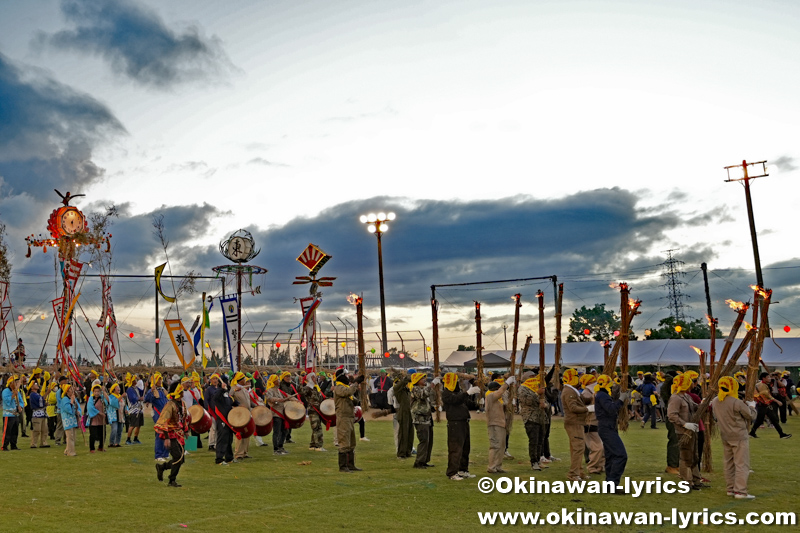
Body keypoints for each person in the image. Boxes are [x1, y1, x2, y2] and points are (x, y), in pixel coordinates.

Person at [710, 376, 757, 499]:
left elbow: (715, 417)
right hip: (739, 435)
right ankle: (740, 491)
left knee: (729, 463)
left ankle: (730, 489)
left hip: (725, 435)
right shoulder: (736, 402)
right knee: (741, 464)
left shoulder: (715, 401)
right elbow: (751, 416)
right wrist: (752, 406)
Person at [667, 374, 705, 490]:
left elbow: (694, 407)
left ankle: (696, 480)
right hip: (683, 431)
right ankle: (686, 482)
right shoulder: (675, 398)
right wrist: (684, 424)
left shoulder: (685, 396)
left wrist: (702, 404)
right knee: (685, 457)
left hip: (691, 429)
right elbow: (671, 415)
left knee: (694, 455)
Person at [594, 375, 627, 494]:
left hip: (607, 427)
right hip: (607, 428)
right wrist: (621, 400)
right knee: (620, 455)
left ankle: (610, 485)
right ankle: (613, 483)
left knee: (611, 456)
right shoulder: (602, 395)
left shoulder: (601, 394)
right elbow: (611, 408)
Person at [442, 373, 478, 481]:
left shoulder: (458, 393)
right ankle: (452, 472)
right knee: (455, 448)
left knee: (465, 447)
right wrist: (467, 392)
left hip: (464, 422)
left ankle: (463, 469)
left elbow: (467, 402)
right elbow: (456, 400)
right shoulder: (446, 393)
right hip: (455, 423)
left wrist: (478, 402)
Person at [154, 382, 190, 487]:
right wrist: (166, 438)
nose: (183, 392)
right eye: (181, 391)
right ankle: (171, 480)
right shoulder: (169, 405)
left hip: (180, 434)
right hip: (171, 434)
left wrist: (186, 430)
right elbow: (163, 421)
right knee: (178, 457)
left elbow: (184, 418)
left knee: (181, 459)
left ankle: (162, 467)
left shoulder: (182, 404)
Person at [334, 369, 365, 472]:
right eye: (346, 375)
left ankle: (350, 465)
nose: (347, 377)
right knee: (344, 442)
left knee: (351, 442)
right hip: (343, 418)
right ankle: (343, 466)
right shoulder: (338, 387)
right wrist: (355, 383)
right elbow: (348, 392)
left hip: (349, 417)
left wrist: (358, 390)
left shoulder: (345, 387)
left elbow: (355, 400)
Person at [561, 368, 589, 481]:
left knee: (577, 448)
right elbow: (573, 408)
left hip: (576, 422)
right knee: (578, 448)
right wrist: (587, 409)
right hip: (574, 422)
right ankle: (573, 474)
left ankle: (579, 472)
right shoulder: (569, 391)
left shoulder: (571, 390)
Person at [518, 372, 547, 471]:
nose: (534, 378)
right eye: (531, 377)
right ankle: (533, 461)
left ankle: (538, 460)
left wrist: (545, 404)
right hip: (530, 417)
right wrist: (536, 394)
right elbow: (526, 401)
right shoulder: (523, 388)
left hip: (540, 417)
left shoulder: (536, 386)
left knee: (540, 440)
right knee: (533, 441)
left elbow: (544, 400)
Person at [750, 372, 792, 439]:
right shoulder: (761, 385)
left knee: (773, 420)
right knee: (760, 420)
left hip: (765, 405)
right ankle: (752, 433)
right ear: (763, 378)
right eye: (768, 377)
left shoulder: (765, 384)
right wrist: (777, 401)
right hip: (762, 405)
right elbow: (767, 396)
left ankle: (782, 434)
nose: (770, 378)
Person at [486, 376, 514, 474]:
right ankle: (492, 467)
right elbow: (500, 392)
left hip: (501, 423)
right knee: (495, 445)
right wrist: (507, 383)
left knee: (502, 446)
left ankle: (498, 466)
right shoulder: (490, 396)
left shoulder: (497, 398)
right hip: (494, 424)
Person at [580, 373, 604, 474]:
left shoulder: (593, 391)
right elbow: (582, 408)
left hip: (596, 422)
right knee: (597, 447)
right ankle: (592, 467)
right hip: (590, 423)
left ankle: (600, 466)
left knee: (602, 447)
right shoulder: (586, 393)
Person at [410, 372, 435, 469]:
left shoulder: (423, 388)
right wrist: (431, 386)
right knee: (423, 440)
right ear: (417, 381)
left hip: (427, 418)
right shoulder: (415, 389)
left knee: (429, 441)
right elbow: (423, 395)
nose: (425, 379)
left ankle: (424, 460)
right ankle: (419, 462)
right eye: (422, 378)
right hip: (420, 419)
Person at [145, 373, 170, 462]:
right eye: (158, 379)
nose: (160, 381)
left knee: (167, 433)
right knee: (160, 433)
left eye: (160, 379)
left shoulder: (163, 390)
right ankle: (158, 455)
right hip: (158, 414)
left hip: (166, 414)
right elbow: (146, 399)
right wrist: (150, 391)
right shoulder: (153, 390)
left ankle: (165, 453)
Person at [231, 372, 255, 461]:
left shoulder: (244, 389)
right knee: (240, 433)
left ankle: (245, 452)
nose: (245, 380)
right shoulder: (233, 388)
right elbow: (229, 397)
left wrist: (257, 406)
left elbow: (249, 402)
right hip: (239, 414)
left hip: (247, 413)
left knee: (247, 433)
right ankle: (238, 454)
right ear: (240, 380)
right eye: (244, 379)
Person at [212, 375, 235, 465]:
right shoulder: (218, 391)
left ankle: (229, 457)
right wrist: (221, 389)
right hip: (222, 419)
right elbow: (215, 398)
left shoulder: (227, 392)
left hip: (229, 418)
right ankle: (219, 459)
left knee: (229, 438)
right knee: (222, 438)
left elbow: (230, 402)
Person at [302, 372, 327, 452]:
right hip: (313, 410)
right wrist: (299, 383)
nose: (316, 378)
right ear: (310, 378)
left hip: (318, 410)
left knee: (316, 427)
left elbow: (320, 398)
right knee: (317, 428)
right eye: (314, 377)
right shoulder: (308, 388)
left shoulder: (316, 387)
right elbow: (301, 392)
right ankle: (318, 446)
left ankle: (313, 445)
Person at [661, 371, 680, 475]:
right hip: (672, 417)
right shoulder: (668, 392)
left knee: (678, 442)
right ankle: (672, 465)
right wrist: (668, 377)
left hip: (676, 417)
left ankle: (676, 464)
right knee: (674, 441)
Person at [265, 374, 289, 455]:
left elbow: (287, 396)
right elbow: (269, 398)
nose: (279, 381)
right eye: (277, 380)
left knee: (284, 431)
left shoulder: (278, 390)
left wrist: (296, 400)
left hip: (282, 413)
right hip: (276, 414)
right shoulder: (269, 390)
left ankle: (280, 446)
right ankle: (276, 449)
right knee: (277, 432)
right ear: (274, 381)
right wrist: (279, 400)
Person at [393, 371, 414, 459]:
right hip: (403, 412)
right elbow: (400, 384)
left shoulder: (406, 390)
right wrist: (405, 379)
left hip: (409, 412)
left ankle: (408, 451)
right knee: (403, 433)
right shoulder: (397, 388)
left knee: (410, 433)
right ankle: (401, 453)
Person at [59, 384, 82, 457]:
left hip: (73, 420)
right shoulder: (64, 399)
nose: (72, 391)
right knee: (70, 437)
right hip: (67, 420)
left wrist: (78, 411)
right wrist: (71, 401)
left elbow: (77, 407)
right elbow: (68, 409)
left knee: (73, 436)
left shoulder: (73, 398)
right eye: (70, 389)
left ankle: (67, 450)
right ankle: (71, 452)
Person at [3, 375, 23, 451]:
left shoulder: (17, 392)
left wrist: (20, 406)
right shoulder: (5, 391)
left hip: (15, 414)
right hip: (8, 414)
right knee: (7, 431)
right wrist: (13, 395)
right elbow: (7, 401)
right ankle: (4, 446)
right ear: (11, 383)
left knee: (15, 431)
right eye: (15, 382)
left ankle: (13, 445)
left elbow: (21, 401)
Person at [87, 383, 108, 453]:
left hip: (101, 420)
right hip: (94, 419)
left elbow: (108, 402)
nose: (97, 393)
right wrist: (99, 413)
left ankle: (101, 447)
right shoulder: (91, 399)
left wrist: (104, 392)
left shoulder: (102, 398)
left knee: (103, 434)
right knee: (93, 435)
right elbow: (90, 408)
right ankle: (92, 448)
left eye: (98, 391)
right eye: (95, 391)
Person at [29, 380, 49, 449]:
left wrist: (45, 404)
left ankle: (43, 442)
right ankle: (33, 443)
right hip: (36, 415)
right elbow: (40, 400)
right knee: (37, 430)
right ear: (31, 387)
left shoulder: (38, 394)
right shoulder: (32, 395)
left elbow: (41, 401)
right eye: (35, 384)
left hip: (43, 414)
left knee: (44, 429)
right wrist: (47, 393)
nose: (37, 385)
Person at [125, 373, 144, 445]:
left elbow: (142, 392)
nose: (136, 380)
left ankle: (136, 438)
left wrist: (146, 386)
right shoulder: (129, 389)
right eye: (134, 380)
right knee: (132, 425)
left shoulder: (136, 388)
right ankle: (128, 439)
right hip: (133, 410)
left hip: (139, 408)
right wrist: (139, 398)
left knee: (138, 425)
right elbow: (132, 399)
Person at [204, 373, 220, 451]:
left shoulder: (219, 388)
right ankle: (211, 444)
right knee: (213, 429)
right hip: (212, 411)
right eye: (213, 379)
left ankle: (216, 444)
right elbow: (206, 400)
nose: (215, 380)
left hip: (219, 412)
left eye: (216, 379)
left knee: (217, 429)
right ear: (211, 380)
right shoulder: (209, 389)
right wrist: (207, 410)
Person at [108, 383, 124, 448]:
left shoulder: (120, 396)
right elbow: (113, 403)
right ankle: (111, 442)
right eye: (117, 387)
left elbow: (123, 404)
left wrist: (126, 409)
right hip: (114, 415)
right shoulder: (111, 396)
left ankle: (117, 442)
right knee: (114, 429)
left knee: (120, 429)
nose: (119, 388)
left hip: (120, 415)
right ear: (114, 389)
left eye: (119, 387)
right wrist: (121, 396)